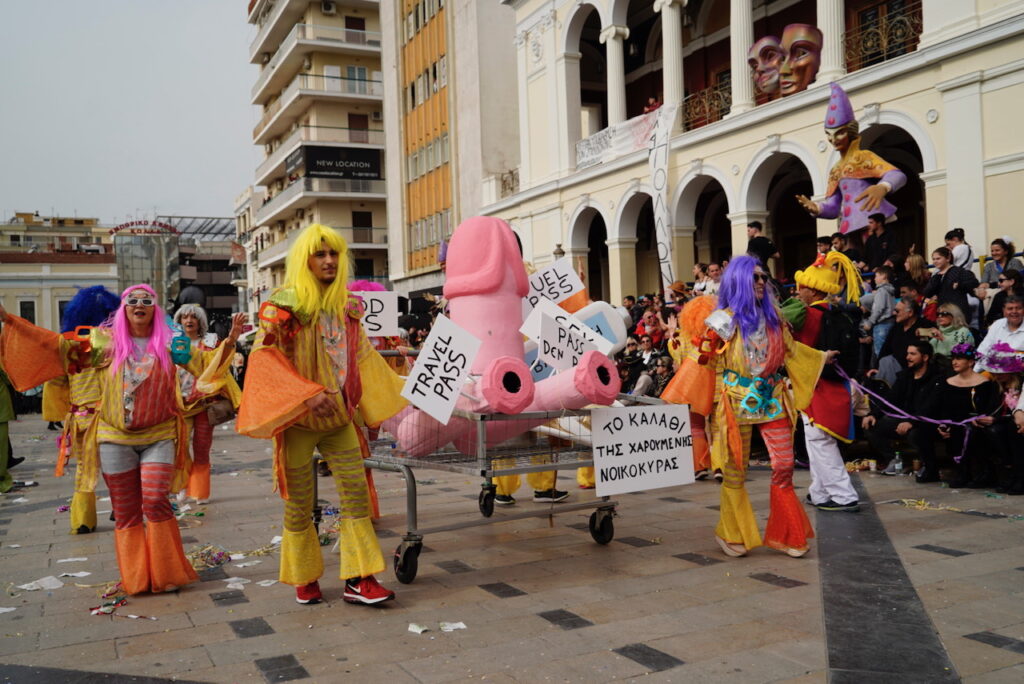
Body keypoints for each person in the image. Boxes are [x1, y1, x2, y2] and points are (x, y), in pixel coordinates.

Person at [0, 285, 243, 595]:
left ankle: (166, 574)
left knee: (155, 501)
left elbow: (206, 368)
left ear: (154, 309)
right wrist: (11, 321)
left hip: (159, 435)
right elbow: (58, 347)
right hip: (114, 437)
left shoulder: (172, 344)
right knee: (126, 512)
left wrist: (231, 341)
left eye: (146, 301)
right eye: (132, 300)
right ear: (123, 308)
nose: (139, 304)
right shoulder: (103, 342)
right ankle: (137, 579)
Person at [236, 223, 407, 606]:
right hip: (299, 421)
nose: (329, 261)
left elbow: (363, 358)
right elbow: (265, 359)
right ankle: (305, 576)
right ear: (305, 259)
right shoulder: (285, 304)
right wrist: (307, 395)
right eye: (320, 254)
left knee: (357, 497)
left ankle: (359, 579)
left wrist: (403, 388)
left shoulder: (348, 306)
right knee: (299, 502)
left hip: (340, 421)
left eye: (334, 254)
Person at [663, 255, 831, 558]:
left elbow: (792, 353)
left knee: (784, 466)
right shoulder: (721, 320)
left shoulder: (775, 318)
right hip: (733, 403)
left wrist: (821, 358)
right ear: (738, 282)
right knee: (734, 471)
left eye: (763, 277)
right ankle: (732, 532)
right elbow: (701, 360)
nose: (761, 282)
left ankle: (788, 533)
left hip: (772, 399)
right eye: (754, 277)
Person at [784, 251, 863, 512]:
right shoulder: (840, 314)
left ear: (815, 291)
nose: (799, 291)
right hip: (836, 386)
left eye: (803, 286)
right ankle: (819, 492)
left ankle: (844, 495)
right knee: (816, 441)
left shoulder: (809, 316)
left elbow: (794, 349)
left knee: (820, 441)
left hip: (818, 388)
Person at [52, 285, 121, 534]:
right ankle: (120, 508)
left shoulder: (65, 345)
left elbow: (56, 382)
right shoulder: (112, 342)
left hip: (81, 416)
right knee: (115, 466)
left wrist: (59, 415)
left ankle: (83, 520)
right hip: (110, 416)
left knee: (85, 468)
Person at [796, 83, 906, 235]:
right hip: (849, 227)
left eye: (839, 133)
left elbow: (897, 175)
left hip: (871, 222)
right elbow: (834, 207)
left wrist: (883, 187)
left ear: (850, 131)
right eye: (829, 134)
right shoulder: (835, 170)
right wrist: (817, 208)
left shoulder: (863, 156)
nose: (833, 139)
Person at [173, 304, 242, 504]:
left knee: (202, 448)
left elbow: (221, 363)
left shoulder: (210, 342)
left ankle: (200, 491)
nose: (188, 320)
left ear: (199, 321)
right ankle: (183, 485)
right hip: (180, 404)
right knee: (181, 448)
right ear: (179, 321)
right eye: (184, 317)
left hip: (204, 403)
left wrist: (231, 339)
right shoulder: (172, 343)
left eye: (193, 317)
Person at [863, 341, 944, 481]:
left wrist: (912, 421)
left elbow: (931, 406)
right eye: (907, 353)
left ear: (925, 357)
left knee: (916, 434)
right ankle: (894, 459)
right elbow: (890, 400)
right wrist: (873, 414)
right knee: (870, 425)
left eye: (913, 354)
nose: (908, 357)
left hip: (926, 421)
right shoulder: (905, 376)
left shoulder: (937, 378)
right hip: (903, 419)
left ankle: (929, 467)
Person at [931, 344, 1002, 489]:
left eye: (959, 359)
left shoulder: (984, 383)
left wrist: (979, 418)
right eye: (953, 359)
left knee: (970, 431)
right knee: (954, 430)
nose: (954, 362)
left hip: (976, 422)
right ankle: (961, 472)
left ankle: (983, 473)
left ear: (970, 362)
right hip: (955, 422)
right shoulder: (948, 382)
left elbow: (988, 407)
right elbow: (943, 408)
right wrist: (943, 424)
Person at [875, 297, 926, 385]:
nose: (894, 313)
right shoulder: (897, 327)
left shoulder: (924, 326)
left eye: (897, 311)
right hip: (893, 367)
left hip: (912, 370)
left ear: (910, 313)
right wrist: (876, 368)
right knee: (885, 361)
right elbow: (885, 348)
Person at [924, 246, 979, 326]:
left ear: (948, 258)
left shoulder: (959, 271)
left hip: (958, 313)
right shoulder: (936, 276)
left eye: (938, 258)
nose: (935, 261)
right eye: (933, 259)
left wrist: (960, 284)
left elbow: (974, 283)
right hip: (942, 313)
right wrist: (936, 279)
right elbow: (927, 293)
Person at [975, 296, 1024, 371]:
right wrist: (976, 372)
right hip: (994, 370)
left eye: (1018, 308)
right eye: (1010, 309)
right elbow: (983, 350)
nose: (1014, 311)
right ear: (1004, 311)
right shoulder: (997, 324)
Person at [861, 264, 897, 360]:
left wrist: (870, 322)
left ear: (884, 276)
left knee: (880, 353)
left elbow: (878, 308)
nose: (875, 279)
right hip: (890, 323)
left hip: (882, 325)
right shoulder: (890, 290)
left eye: (876, 276)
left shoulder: (881, 291)